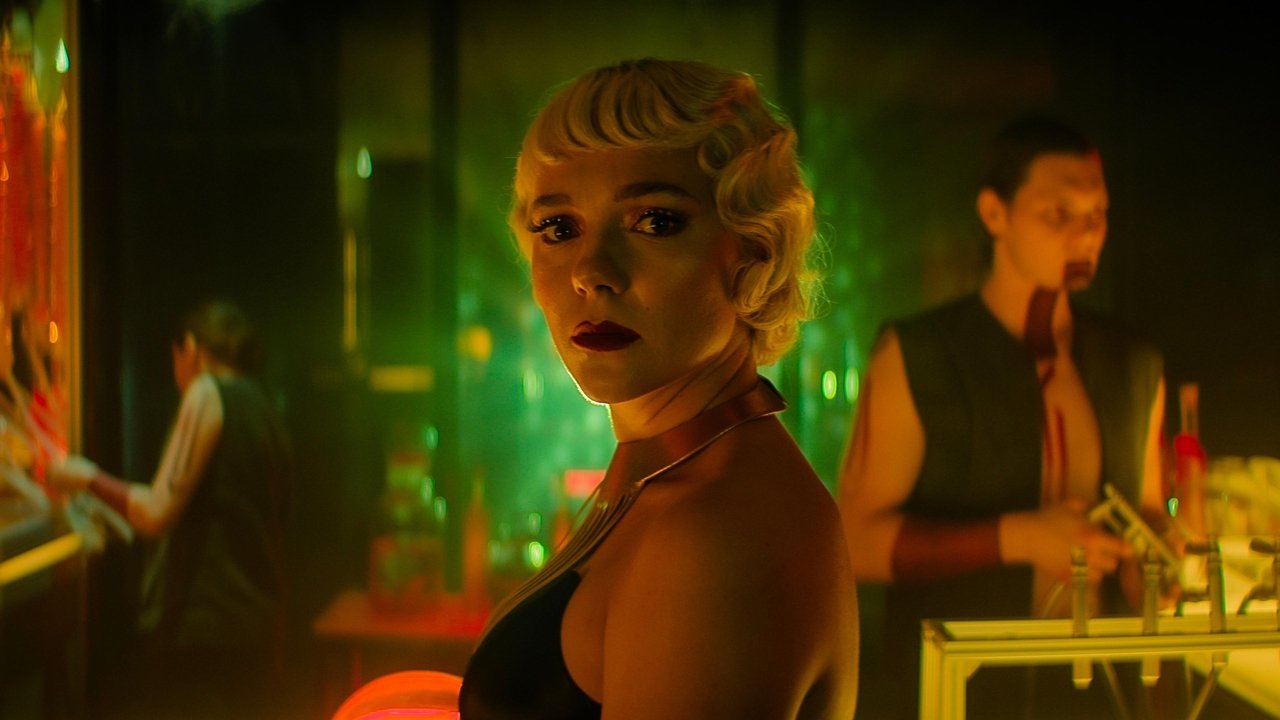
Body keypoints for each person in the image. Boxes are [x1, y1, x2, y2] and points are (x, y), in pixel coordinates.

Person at [456, 58, 859, 719]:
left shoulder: (710, 533)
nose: (592, 271)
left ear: (755, 248)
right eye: (559, 228)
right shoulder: (673, 474)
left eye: (655, 221)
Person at [837, 118, 1167, 719]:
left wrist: (1156, 564)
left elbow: (1146, 513)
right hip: (957, 689)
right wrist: (1019, 537)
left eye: (1097, 213)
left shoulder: (1133, 365)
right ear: (995, 213)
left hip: (1100, 696)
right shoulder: (920, 354)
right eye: (1058, 213)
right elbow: (855, 543)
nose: (1086, 234)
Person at [51, 300, 292, 720]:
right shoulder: (266, 405)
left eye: (175, 360)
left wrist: (86, 477)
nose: (177, 377)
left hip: (204, 630)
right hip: (258, 627)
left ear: (191, 349)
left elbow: (157, 511)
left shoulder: (206, 391)